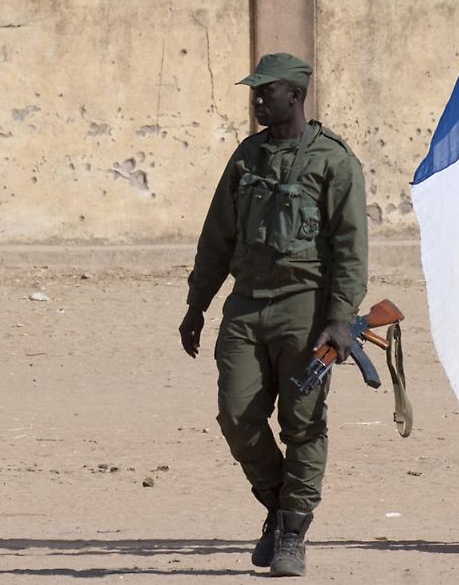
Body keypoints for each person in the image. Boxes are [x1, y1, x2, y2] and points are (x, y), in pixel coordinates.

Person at [178, 52, 367, 577]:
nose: (258, 100)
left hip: (305, 309)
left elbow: (351, 248)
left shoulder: (334, 161)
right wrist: (197, 303)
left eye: (267, 92)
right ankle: (279, 505)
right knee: (237, 417)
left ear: (296, 96)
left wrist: (340, 318)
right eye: (255, 92)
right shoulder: (247, 156)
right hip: (246, 305)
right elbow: (218, 237)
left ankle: (292, 534)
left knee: (302, 424)